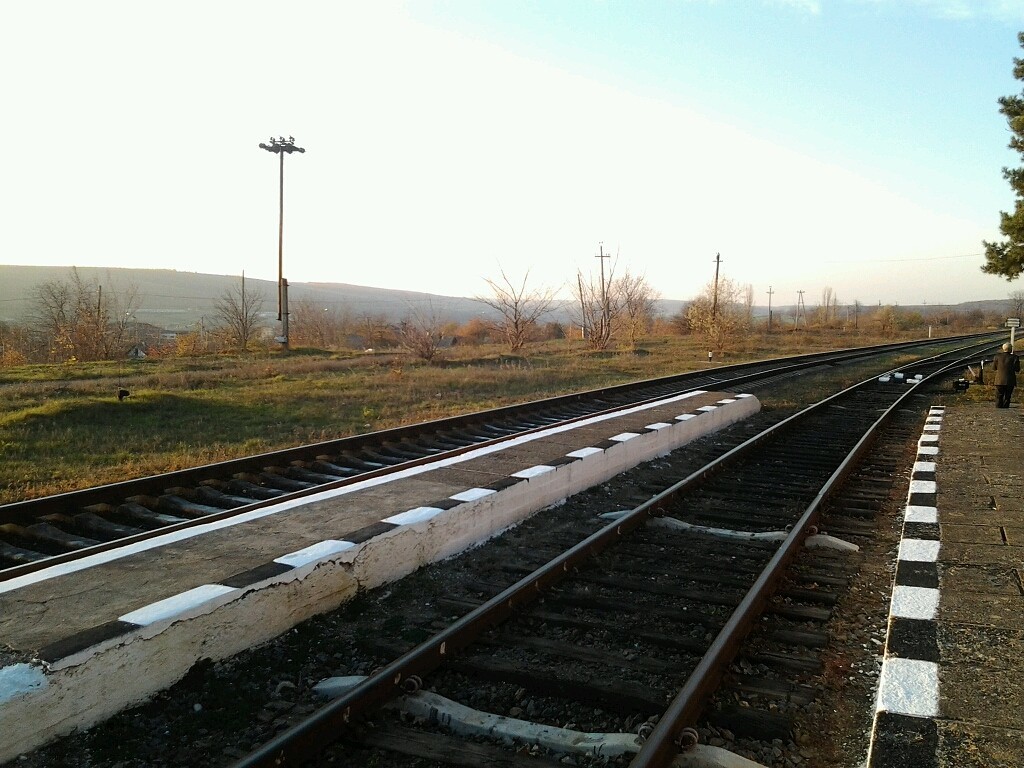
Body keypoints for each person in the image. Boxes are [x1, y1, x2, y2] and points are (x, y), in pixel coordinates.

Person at [990, 342, 1020, 408]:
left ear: (1003, 349)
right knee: (1007, 397)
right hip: (1010, 380)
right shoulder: (1015, 357)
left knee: (998, 396)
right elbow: (1017, 369)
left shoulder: (997, 357)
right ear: (1010, 349)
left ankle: (998, 410)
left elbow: (993, 368)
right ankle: (1006, 410)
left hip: (999, 380)